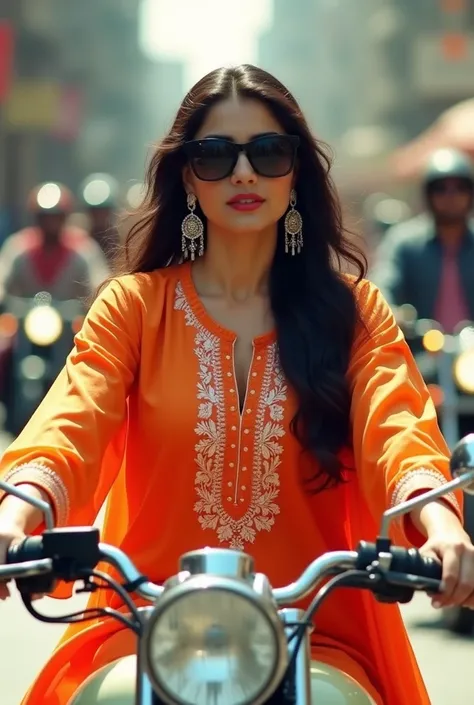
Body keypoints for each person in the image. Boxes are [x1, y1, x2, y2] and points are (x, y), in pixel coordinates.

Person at [0, 65, 472, 705]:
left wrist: (441, 522)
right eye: (216, 155)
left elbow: (399, 432)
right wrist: (17, 509)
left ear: (296, 171)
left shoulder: (354, 313)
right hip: (147, 628)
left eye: (268, 152)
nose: (244, 173)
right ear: (189, 177)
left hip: (316, 632)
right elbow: (69, 423)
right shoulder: (133, 308)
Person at [370, 148, 474, 333]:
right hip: (422, 354)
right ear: (427, 194)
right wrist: (391, 312)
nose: (451, 196)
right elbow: (384, 283)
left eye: (460, 187)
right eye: (440, 188)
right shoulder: (404, 242)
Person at [0, 182, 109, 300]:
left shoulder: (83, 248)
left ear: (65, 217)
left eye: (56, 217)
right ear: (36, 218)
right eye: (44, 217)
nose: (50, 223)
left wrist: (100, 297)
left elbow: (99, 282)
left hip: (73, 317)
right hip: (24, 317)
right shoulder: (18, 246)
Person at [79, 172, 120, 263]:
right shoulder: (80, 244)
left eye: (103, 210)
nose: (98, 215)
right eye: (94, 210)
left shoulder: (124, 242)